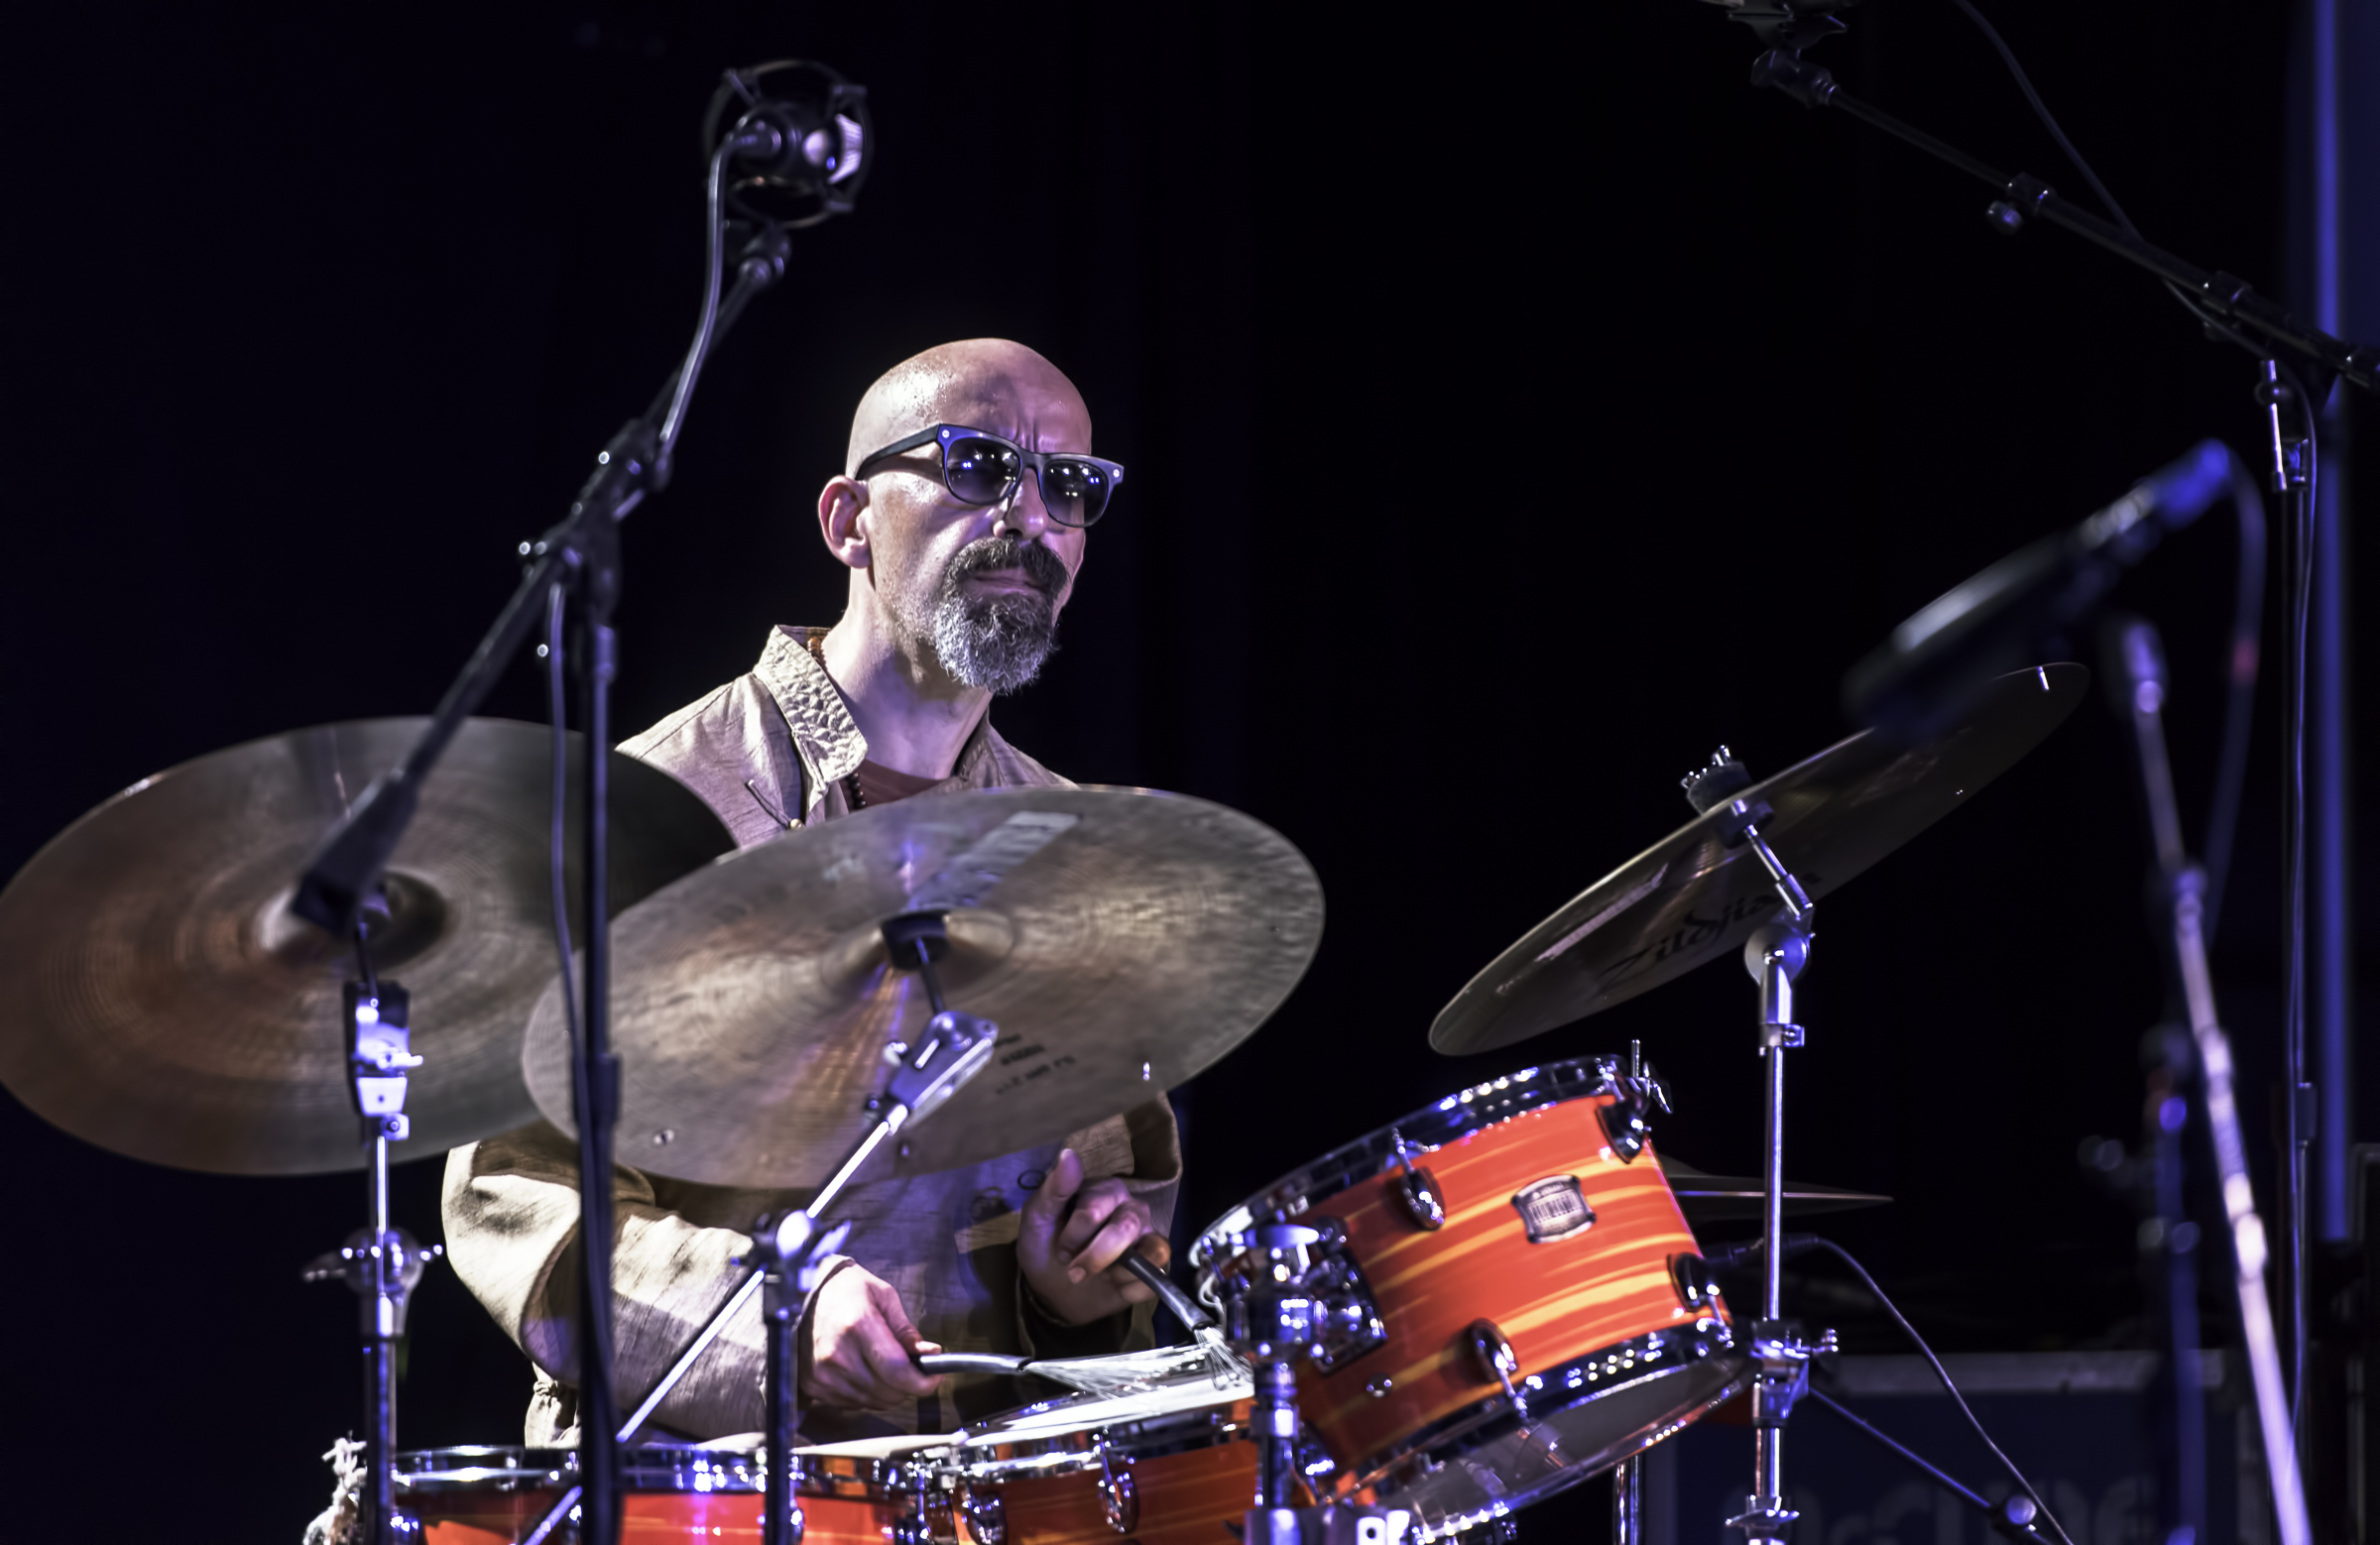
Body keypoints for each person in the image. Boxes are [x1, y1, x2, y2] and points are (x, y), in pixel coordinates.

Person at [442, 338, 1180, 1445]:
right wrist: (769, 1320)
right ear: (847, 520)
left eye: (1068, 487)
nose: (1030, 517)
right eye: (979, 466)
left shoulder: (1081, 846)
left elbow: (1112, 1202)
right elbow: (513, 1193)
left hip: (980, 1486)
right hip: (706, 1493)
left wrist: (1074, 1298)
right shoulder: (646, 809)